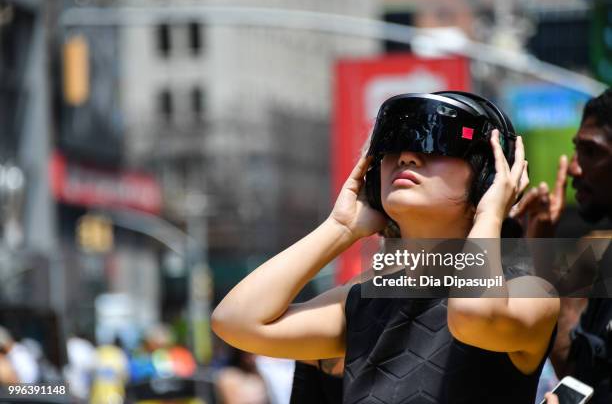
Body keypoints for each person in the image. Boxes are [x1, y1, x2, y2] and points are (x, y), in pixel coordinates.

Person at [212, 91, 559, 403]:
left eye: (436, 142)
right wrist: (340, 228)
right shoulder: (366, 300)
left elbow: (475, 316)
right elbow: (237, 322)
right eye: (392, 145)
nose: (407, 157)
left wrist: (490, 212)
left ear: (488, 176)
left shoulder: (528, 293)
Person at [511, 88, 612, 404]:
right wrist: (539, 248)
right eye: (576, 150)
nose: (573, 168)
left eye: (592, 152)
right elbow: (574, 366)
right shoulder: (598, 254)